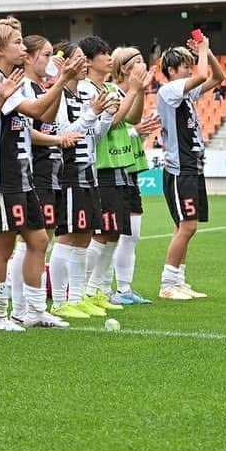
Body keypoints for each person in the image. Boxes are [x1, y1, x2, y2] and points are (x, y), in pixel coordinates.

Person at [0, 17, 83, 330]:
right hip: (3, 174)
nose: (23, 47)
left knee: (38, 240)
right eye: (17, 42)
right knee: (4, 247)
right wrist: (62, 80)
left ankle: (35, 310)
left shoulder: (19, 79)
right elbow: (36, 111)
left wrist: (57, 86)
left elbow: (43, 116)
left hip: (22, 173)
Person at [42, 41, 116, 321]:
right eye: (79, 59)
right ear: (64, 64)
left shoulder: (79, 95)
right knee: (67, 238)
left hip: (88, 171)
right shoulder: (58, 96)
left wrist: (105, 116)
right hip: (69, 172)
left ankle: (77, 296)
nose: (84, 64)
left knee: (83, 238)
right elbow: (64, 136)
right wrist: (91, 115)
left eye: (85, 59)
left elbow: (91, 136)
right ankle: (60, 301)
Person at [79, 36, 145, 310]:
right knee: (102, 233)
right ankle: (83, 289)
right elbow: (111, 120)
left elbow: (133, 118)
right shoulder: (85, 89)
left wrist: (138, 91)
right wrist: (132, 90)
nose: (108, 57)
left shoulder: (109, 88)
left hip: (119, 165)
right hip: (100, 167)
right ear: (90, 60)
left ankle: (101, 289)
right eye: (103, 53)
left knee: (114, 233)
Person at [157, 36, 225, 299]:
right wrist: (203, 51)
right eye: (184, 65)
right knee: (187, 226)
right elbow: (201, 75)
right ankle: (167, 284)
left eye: (190, 64)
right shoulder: (169, 91)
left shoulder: (183, 95)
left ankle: (178, 281)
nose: (189, 68)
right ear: (172, 71)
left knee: (184, 226)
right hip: (179, 169)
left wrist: (208, 51)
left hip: (192, 167)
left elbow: (217, 77)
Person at [110, 46, 162, 305]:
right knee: (108, 236)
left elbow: (132, 126)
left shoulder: (134, 93)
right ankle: (103, 289)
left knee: (133, 233)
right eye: (137, 61)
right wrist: (135, 131)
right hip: (113, 169)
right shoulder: (113, 93)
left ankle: (125, 288)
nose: (144, 64)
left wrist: (140, 132)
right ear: (122, 68)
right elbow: (110, 131)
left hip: (130, 169)